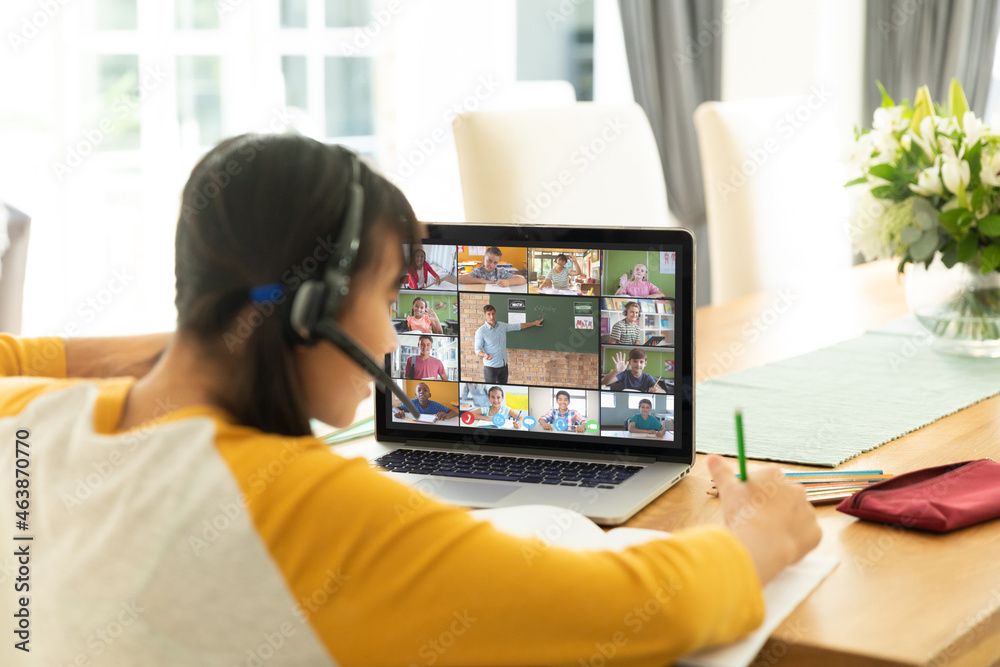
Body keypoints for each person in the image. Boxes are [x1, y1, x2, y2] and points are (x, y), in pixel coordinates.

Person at [0, 133, 822, 665]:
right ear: (315, 306)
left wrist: (201, 341)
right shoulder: (299, 505)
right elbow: (632, 609)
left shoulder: (25, 418)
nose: (398, 338)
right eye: (392, 292)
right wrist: (758, 534)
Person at [474, 303, 543, 384]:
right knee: (491, 390)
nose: (492, 317)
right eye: (488, 314)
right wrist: (484, 354)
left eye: (493, 313)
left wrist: (534, 323)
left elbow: (518, 326)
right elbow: (477, 350)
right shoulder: (481, 331)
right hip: (491, 368)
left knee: (503, 390)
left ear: (496, 314)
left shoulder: (502, 326)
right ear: (485, 316)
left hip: (504, 366)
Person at [602, 347, 666, 393]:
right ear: (629, 362)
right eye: (635, 361)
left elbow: (663, 392)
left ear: (645, 364)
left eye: (641, 362)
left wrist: (657, 390)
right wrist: (615, 371)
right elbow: (604, 382)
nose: (638, 365)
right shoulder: (624, 374)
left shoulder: (648, 378)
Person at [459, 246, 526, 287]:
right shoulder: (478, 271)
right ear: (483, 259)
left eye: (495, 262)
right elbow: (461, 279)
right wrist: (483, 281)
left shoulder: (500, 272)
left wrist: (509, 282)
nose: (491, 265)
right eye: (489, 261)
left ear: (498, 262)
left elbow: (523, 280)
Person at [391, 382, 458, 421]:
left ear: (429, 395)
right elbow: (395, 408)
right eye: (419, 390)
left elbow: (454, 412)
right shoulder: (411, 403)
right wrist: (399, 412)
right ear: (415, 394)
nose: (422, 392)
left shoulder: (436, 405)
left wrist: (447, 416)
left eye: (425, 390)